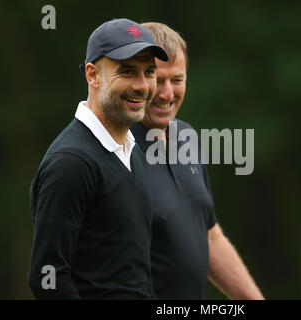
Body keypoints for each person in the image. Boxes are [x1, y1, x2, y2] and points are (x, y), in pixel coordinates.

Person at [27, 18, 168, 299]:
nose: (142, 86)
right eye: (127, 71)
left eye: (149, 72)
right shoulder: (71, 163)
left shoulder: (133, 152)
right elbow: (48, 278)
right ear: (92, 75)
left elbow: (133, 276)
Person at [130, 22, 264, 299]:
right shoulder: (116, 152)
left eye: (177, 80)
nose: (167, 94)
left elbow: (210, 237)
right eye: (158, 80)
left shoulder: (187, 136)